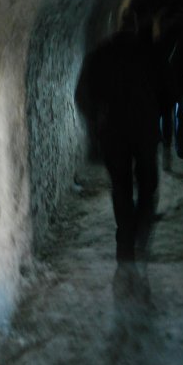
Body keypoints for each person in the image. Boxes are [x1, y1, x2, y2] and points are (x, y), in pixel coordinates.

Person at [74, 22, 162, 271]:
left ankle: (125, 235)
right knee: (147, 184)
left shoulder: (98, 57)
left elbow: (81, 96)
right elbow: (169, 91)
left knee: (120, 185)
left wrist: (96, 119)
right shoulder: (150, 55)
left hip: (113, 132)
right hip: (145, 130)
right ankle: (141, 233)